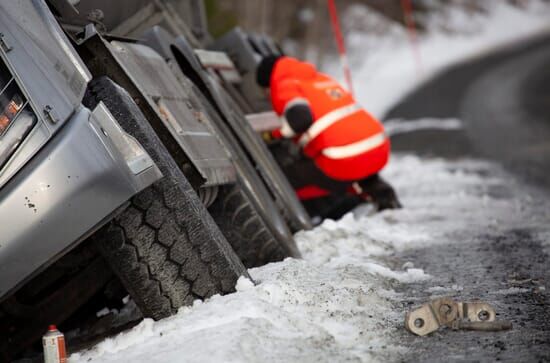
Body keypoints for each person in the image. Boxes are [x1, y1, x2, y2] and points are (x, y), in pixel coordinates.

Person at [256, 55, 401, 211]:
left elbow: (300, 119)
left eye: (266, 91)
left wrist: (272, 135)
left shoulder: (285, 84)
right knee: (337, 159)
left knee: (285, 175)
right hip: (378, 148)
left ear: (268, 82)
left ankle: (306, 217)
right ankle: (379, 193)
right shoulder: (320, 78)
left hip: (344, 159)